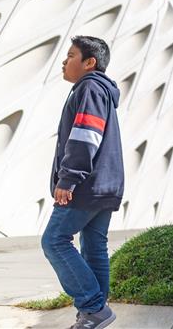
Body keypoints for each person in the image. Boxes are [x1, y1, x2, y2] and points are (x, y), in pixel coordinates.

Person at [41, 36, 124, 329]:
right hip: (106, 184)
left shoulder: (89, 87)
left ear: (90, 63)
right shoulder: (102, 91)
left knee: (54, 241)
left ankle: (93, 308)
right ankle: (94, 314)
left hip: (86, 184)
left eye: (71, 55)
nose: (64, 61)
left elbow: (85, 135)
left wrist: (68, 179)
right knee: (93, 246)